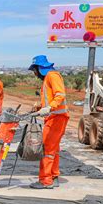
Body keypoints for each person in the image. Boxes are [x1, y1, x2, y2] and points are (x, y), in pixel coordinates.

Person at [28, 55, 69, 189]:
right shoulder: (48, 78)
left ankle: (45, 181)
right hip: (55, 117)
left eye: (34, 71)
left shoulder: (52, 76)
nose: (34, 74)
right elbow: (50, 98)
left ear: (40, 68)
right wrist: (40, 107)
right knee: (54, 149)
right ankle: (53, 176)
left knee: (46, 149)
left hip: (56, 118)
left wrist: (49, 108)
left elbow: (60, 95)